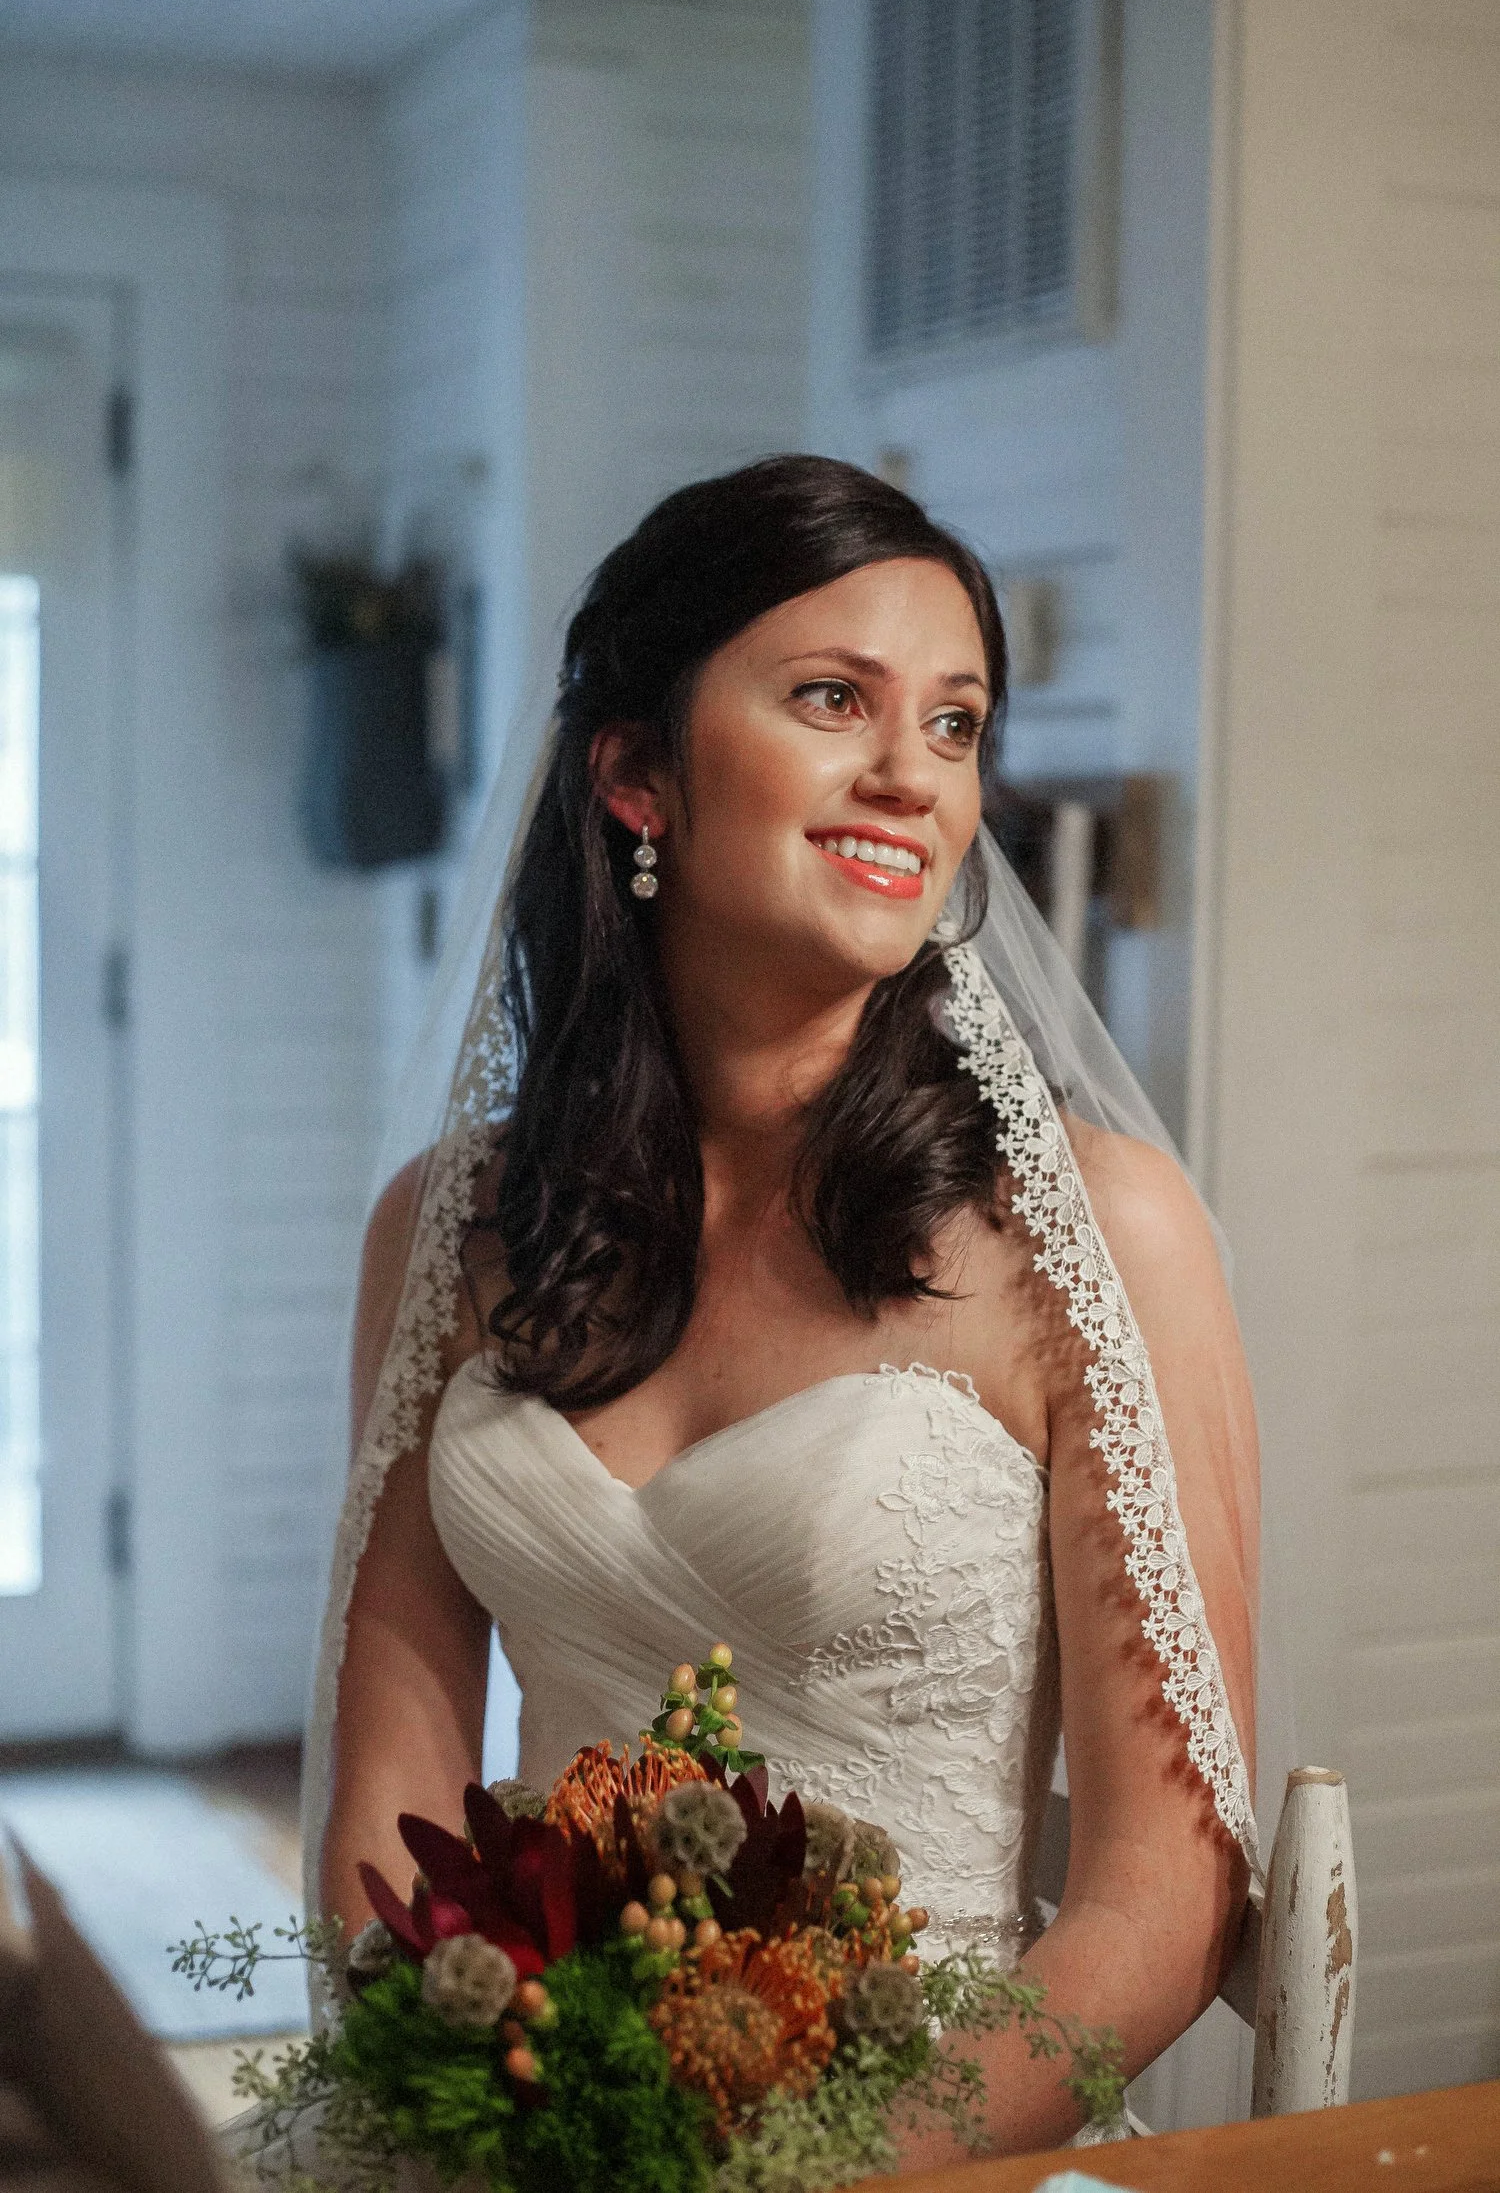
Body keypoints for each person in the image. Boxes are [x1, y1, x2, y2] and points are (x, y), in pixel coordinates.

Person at [306, 456, 1261, 2162]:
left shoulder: (1099, 1234)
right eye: (836, 699)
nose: (912, 773)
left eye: (957, 725)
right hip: (547, 2118)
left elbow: (1169, 1897)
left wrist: (825, 2165)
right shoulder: (453, 1227)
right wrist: (465, 2102)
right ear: (638, 774)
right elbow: (393, 1787)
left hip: (929, 2138)